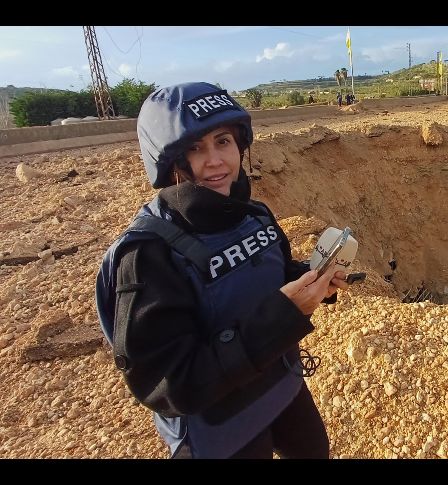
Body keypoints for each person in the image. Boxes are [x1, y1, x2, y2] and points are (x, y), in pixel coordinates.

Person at [95, 82, 348, 459]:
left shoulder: (255, 216)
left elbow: (269, 277)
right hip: (219, 423)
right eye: (195, 149)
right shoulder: (150, 255)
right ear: (169, 162)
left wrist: (313, 281)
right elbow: (171, 384)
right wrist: (285, 314)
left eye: (223, 141)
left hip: (279, 381)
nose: (215, 160)